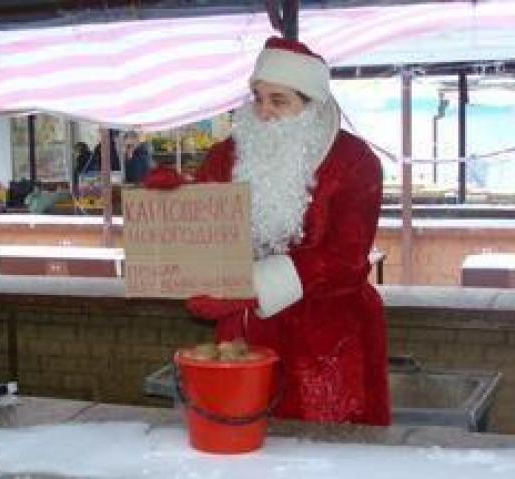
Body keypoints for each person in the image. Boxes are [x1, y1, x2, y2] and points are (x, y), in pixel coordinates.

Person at [146, 36, 389, 426]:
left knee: (320, 448)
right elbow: (206, 236)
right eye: (257, 97)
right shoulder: (225, 155)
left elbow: (345, 259)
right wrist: (175, 204)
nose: (263, 112)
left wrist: (249, 286)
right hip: (244, 336)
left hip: (325, 337)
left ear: (312, 105)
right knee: (240, 437)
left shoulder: (355, 162)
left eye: (279, 101)